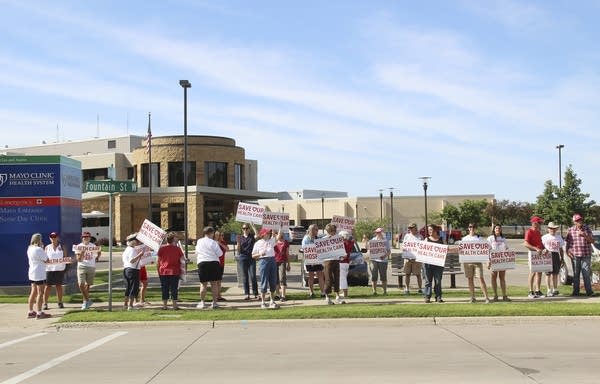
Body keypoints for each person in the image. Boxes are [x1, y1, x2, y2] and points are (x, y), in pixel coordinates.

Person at [566, 213, 595, 296]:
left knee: (586, 274)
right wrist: (567, 251)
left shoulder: (587, 229)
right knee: (576, 274)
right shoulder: (570, 230)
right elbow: (568, 243)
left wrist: (584, 235)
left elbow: (592, 241)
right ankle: (576, 292)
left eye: (580, 220)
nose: (580, 221)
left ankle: (589, 292)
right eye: (577, 220)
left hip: (586, 254)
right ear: (574, 222)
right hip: (575, 255)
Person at [461, 223, 490, 304]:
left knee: (481, 278)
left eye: (473, 227)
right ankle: (472, 297)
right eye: (470, 227)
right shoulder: (464, 239)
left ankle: (486, 298)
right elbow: (462, 250)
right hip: (468, 262)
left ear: (475, 228)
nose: (472, 228)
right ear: (468, 228)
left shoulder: (479, 238)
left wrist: (488, 260)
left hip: (477, 262)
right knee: (470, 279)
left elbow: (485, 249)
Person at [195, 226, 223, 309]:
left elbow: (197, 252)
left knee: (203, 284)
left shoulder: (199, 241)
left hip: (202, 263)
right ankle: (214, 302)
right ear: (211, 233)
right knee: (214, 284)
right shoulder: (213, 242)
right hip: (213, 263)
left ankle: (202, 302)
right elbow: (220, 254)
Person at [252, 227, 280, 309]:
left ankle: (272, 301)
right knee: (264, 281)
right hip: (263, 261)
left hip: (272, 260)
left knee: (273, 281)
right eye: (267, 233)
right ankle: (263, 302)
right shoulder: (258, 243)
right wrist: (260, 254)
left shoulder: (271, 241)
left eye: (269, 233)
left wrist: (280, 228)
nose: (269, 234)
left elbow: (277, 237)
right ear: (263, 234)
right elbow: (253, 255)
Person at [157, 232, 185, 310]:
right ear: (173, 239)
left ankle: (165, 306)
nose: (177, 238)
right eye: (176, 237)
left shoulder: (162, 248)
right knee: (174, 289)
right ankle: (174, 306)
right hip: (174, 271)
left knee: (164, 289)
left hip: (163, 271)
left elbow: (158, 261)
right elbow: (182, 259)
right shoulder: (178, 249)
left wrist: (158, 271)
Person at [74, 231, 101, 310]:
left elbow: (98, 252)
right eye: (84, 237)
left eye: (87, 237)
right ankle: (88, 300)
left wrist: (98, 257)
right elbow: (78, 259)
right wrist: (82, 253)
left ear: (90, 238)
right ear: (82, 238)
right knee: (81, 284)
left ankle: (85, 303)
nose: (86, 238)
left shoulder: (93, 246)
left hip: (91, 267)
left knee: (87, 286)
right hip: (82, 266)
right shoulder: (79, 246)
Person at [27, 233, 51, 319]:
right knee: (40, 292)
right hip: (39, 273)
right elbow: (47, 259)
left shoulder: (29, 248)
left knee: (33, 291)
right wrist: (42, 249)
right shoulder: (39, 249)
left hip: (32, 272)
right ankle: (39, 312)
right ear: (39, 240)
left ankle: (30, 311)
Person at [43, 232, 69, 310]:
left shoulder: (62, 247)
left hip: (59, 269)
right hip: (49, 269)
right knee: (48, 286)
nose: (53, 238)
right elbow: (44, 258)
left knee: (58, 286)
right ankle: (45, 303)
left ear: (58, 237)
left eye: (55, 237)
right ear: (50, 238)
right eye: (51, 237)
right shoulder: (47, 247)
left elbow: (65, 257)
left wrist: (65, 265)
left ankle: (60, 302)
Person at [321, 223, 344, 305]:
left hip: (336, 260)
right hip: (327, 261)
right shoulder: (323, 239)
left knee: (337, 278)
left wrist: (342, 255)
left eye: (335, 231)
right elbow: (321, 252)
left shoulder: (337, 238)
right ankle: (327, 297)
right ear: (329, 231)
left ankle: (337, 296)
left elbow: (340, 248)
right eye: (333, 231)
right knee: (328, 279)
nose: (334, 232)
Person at [487, 224, 510, 301]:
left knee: (502, 278)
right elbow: (487, 250)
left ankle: (504, 295)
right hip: (493, 260)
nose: (497, 229)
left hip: (502, 261)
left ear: (501, 230)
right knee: (493, 277)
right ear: (494, 229)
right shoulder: (490, 238)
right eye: (496, 228)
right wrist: (488, 260)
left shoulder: (503, 239)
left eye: (499, 228)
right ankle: (495, 295)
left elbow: (507, 249)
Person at [122, 233, 145, 311]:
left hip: (126, 269)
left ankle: (125, 304)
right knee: (133, 288)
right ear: (133, 241)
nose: (138, 242)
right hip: (133, 270)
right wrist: (139, 255)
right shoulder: (132, 250)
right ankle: (130, 305)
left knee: (128, 287)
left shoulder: (127, 249)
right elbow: (132, 260)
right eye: (137, 241)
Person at [524, 216, 545, 299]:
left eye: (540, 223)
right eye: (539, 223)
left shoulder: (538, 232)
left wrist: (544, 249)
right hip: (532, 254)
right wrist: (535, 248)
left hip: (539, 254)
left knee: (539, 272)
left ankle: (537, 290)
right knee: (532, 272)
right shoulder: (529, 231)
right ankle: (530, 291)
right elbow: (526, 244)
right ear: (534, 223)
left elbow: (540, 243)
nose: (540, 224)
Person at [541, 222, 565, 297]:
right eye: (551, 228)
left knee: (555, 273)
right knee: (548, 274)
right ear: (548, 229)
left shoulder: (559, 237)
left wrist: (562, 258)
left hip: (556, 255)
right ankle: (548, 290)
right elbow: (541, 247)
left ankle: (555, 289)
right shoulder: (544, 237)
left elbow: (561, 249)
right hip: (547, 255)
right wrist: (543, 251)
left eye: (554, 228)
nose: (552, 230)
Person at [422, 224, 444, 303]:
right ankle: (427, 297)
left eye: (431, 230)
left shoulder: (441, 240)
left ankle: (438, 297)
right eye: (428, 230)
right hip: (428, 264)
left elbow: (445, 250)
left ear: (435, 230)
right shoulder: (426, 239)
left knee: (438, 281)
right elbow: (422, 251)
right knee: (428, 281)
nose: (429, 231)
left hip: (438, 264)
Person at [302, 224, 324, 298]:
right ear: (311, 230)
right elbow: (304, 249)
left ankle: (323, 292)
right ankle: (311, 292)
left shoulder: (318, 238)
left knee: (320, 275)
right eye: (316, 230)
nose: (317, 231)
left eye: (317, 230)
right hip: (310, 260)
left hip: (318, 260)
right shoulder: (306, 239)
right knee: (311, 276)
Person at [237, 224, 258, 300]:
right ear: (242, 229)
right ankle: (247, 294)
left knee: (253, 276)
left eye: (246, 228)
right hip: (243, 258)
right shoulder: (240, 237)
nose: (245, 230)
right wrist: (238, 245)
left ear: (249, 229)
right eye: (243, 228)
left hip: (251, 257)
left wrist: (253, 226)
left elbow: (257, 235)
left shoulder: (251, 236)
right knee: (245, 277)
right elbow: (238, 249)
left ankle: (255, 293)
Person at [402, 223, 423, 295]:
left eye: (411, 228)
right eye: (409, 228)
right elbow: (404, 247)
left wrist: (417, 258)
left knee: (418, 274)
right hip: (408, 259)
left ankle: (420, 289)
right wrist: (407, 257)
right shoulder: (407, 236)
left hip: (417, 259)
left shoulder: (420, 237)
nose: (410, 229)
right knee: (407, 274)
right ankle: (407, 289)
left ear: (415, 228)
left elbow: (422, 248)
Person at [369, 227, 390, 296]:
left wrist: (384, 256)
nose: (378, 233)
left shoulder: (386, 241)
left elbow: (389, 251)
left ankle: (385, 291)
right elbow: (370, 249)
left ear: (382, 232)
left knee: (383, 276)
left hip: (383, 261)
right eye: (377, 232)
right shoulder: (373, 240)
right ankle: (374, 291)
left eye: (379, 232)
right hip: (374, 260)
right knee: (374, 276)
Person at [274, 230, 291, 301]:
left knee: (282, 277)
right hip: (274, 261)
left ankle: (283, 295)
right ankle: (277, 294)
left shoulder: (285, 242)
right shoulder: (274, 241)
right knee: (276, 278)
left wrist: (288, 263)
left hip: (282, 261)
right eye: (279, 233)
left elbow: (287, 253)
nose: (280, 234)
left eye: (281, 233)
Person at [338, 230, 354, 299]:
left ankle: (345, 293)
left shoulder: (342, 244)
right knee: (343, 278)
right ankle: (344, 292)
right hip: (346, 262)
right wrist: (353, 233)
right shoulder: (350, 243)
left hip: (342, 262)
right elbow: (353, 239)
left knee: (342, 278)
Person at [214, 230, 229, 301]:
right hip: (215, 263)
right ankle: (216, 296)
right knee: (215, 281)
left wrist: (220, 243)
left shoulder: (222, 242)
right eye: (221, 235)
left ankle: (219, 296)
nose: (222, 237)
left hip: (221, 264)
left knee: (219, 281)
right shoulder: (213, 242)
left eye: (222, 235)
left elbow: (227, 249)